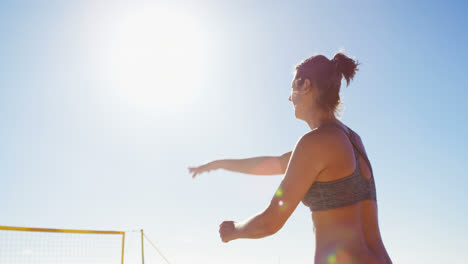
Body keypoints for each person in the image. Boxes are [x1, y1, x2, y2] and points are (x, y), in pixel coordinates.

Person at [188, 52, 392, 264]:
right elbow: (271, 164)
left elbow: (269, 222)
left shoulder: (314, 143)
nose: (289, 98)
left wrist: (234, 230)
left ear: (305, 85)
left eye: (292, 88)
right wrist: (218, 164)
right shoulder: (352, 140)